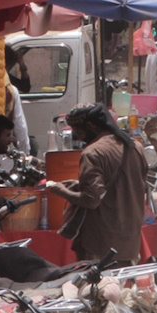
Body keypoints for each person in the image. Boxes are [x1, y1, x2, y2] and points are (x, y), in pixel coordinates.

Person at [50, 106, 146, 264]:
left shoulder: (93, 153)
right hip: (130, 244)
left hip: (101, 247)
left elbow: (91, 200)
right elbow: (128, 184)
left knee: (100, 289)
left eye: (79, 132)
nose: (80, 138)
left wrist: (61, 192)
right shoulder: (136, 147)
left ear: (91, 127)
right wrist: (80, 184)